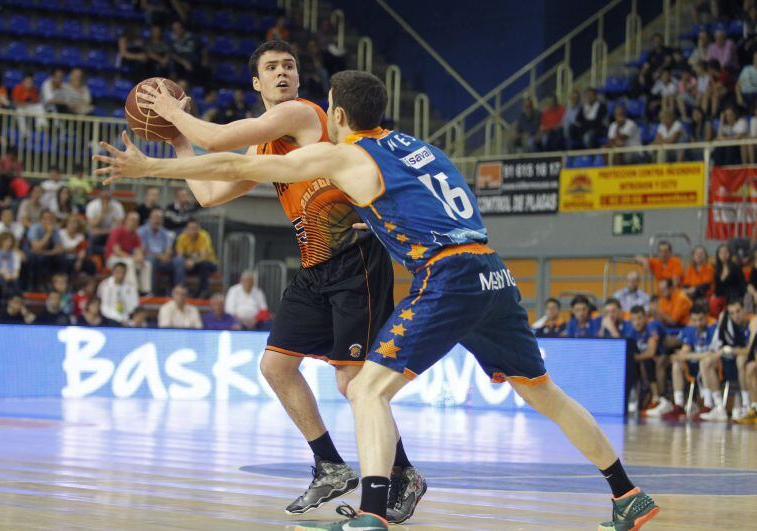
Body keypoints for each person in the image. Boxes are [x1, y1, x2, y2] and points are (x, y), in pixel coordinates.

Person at [94, 69, 659, 531]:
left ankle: (371, 512)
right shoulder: (422, 147)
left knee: (364, 387)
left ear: (336, 116)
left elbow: (241, 163)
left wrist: (153, 165)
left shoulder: (347, 155)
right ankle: (625, 493)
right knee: (545, 394)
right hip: (493, 273)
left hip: (447, 275)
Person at [132, 42, 420, 521]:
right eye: (272, 67)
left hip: (355, 262)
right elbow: (208, 194)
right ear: (255, 83)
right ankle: (329, 464)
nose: (283, 72)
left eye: (289, 65)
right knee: (276, 367)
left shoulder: (303, 114)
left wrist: (167, 111)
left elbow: (220, 140)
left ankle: (403, 472)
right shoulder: (264, 146)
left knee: (353, 384)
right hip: (314, 267)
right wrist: (178, 143)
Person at [700, 299, 754, 421]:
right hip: (729, 362)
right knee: (706, 362)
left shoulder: (752, 322)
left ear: (745, 309)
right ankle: (719, 407)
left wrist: (729, 350)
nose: (736, 315)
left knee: (741, 360)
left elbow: (750, 350)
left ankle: (747, 405)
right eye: (732, 313)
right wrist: (721, 352)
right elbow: (718, 347)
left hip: (746, 363)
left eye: (738, 311)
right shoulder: (726, 323)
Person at [663, 306, 716, 420]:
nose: (697, 323)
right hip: (693, 365)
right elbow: (684, 351)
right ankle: (679, 405)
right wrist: (680, 355)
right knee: (677, 364)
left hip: (711, 366)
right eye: (694, 320)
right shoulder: (690, 329)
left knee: (705, 363)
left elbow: (711, 354)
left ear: (707, 316)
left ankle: (708, 405)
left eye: (700, 319)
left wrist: (688, 355)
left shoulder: (713, 328)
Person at [624, 305, 668, 417]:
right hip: (646, 363)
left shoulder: (652, 326)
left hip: (664, 357)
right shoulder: (631, 332)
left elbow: (651, 352)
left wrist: (634, 358)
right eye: (634, 320)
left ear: (646, 318)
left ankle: (659, 398)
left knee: (648, 362)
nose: (637, 322)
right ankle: (635, 399)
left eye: (639, 318)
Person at [105, 211, 152, 294]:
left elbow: (138, 251)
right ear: (126, 220)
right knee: (130, 263)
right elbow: (117, 252)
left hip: (126, 258)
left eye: (137, 221)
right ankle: (133, 291)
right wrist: (133, 258)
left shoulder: (135, 235)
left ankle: (145, 291)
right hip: (112, 259)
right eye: (132, 220)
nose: (134, 222)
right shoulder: (117, 231)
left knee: (146, 265)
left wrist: (140, 258)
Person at [172, 218, 216, 298]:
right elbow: (180, 255)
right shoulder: (182, 237)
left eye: (195, 228)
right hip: (189, 264)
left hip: (206, 262)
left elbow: (203, 256)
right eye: (191, 228)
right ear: (186, 229)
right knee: (177, 262)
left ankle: (203, 291)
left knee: (204, 265)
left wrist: (193, 262)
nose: (193, 230)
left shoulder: (204, 236)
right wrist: (187, 262)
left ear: (199, 228)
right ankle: (180, 289)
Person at [24, 210, 65, 291]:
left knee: (61, 258)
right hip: (32, 254)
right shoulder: (35, 228)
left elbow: (59, 249)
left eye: (50, 219)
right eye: (45, 219)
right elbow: (36, 247)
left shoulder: (55, 229)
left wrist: (44, 253)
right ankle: (38, 285)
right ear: (40, 220)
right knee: (39, 259)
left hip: (45, 253)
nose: (48, 221)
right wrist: (48, 234)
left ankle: (59, 285)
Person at [137, 208, 175, 295]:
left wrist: (166, 256)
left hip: (163, 260)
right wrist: (159, 256)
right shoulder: (141, 231)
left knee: (178, 262)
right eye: (155, 218)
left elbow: (168, 250)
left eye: (159, 218)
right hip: (148, 258)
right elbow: (143, 251)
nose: (157, 220)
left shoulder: (166, 233)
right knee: (151, 261)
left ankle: (176, 291)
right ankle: (151, 292)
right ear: (150, 218)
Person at [0, 232, 22, 318]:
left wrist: (10, 276)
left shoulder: (15, 256)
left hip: (11, 280)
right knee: (0, 282)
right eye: (5, 241)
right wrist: (2, 272)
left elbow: (16, 274)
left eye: (9, 241)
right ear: (1, 242)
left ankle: (11, 308)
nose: (7, 243)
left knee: (12, 284)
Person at [86, 191, 125, 255]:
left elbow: (119, 226)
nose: (106, 200)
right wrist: (102, 214)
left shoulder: (117, 206)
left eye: (108, 198)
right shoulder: (92, 205)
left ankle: (110, 253)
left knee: (120, 236)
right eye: (103, 198)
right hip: (96, 233)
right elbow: (92, 225)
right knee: (91, 236)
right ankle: (90, 259)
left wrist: (104, 231)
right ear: (99, 197)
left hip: (110, 232)